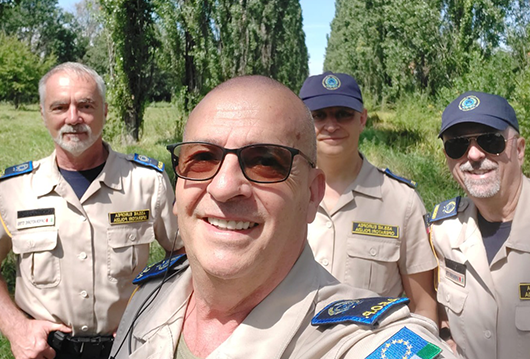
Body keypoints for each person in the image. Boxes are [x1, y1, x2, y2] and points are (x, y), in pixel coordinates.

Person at [110, 75, 456, 359]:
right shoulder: (147, 298)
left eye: (265, 162)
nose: (224, 187)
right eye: (201, 159)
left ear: (312, 194)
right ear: (178, 187)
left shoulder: (364, 343)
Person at [0, 62, 179, 359]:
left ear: (105, 111)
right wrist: (15, 327)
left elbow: (184, 255)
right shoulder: (12, 191)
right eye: (59, 107)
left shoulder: (148, 183)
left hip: (128, 348)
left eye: (86, 105)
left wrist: (156, 310)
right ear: (43, 114)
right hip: (45, 352)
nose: (73, 118)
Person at [298, 72, 437, 322]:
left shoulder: (402, 202)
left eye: (343, 114)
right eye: (318, 115)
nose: (331, 125)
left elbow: (423, 306)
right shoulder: (282, 193)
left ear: (362, 119)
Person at [430, 91, 530, 359]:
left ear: (519, 150)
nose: (473, 154)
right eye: (457, 146)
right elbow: (442, 315)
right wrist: (447, 339)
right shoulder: (443, 231)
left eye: (490, 140)